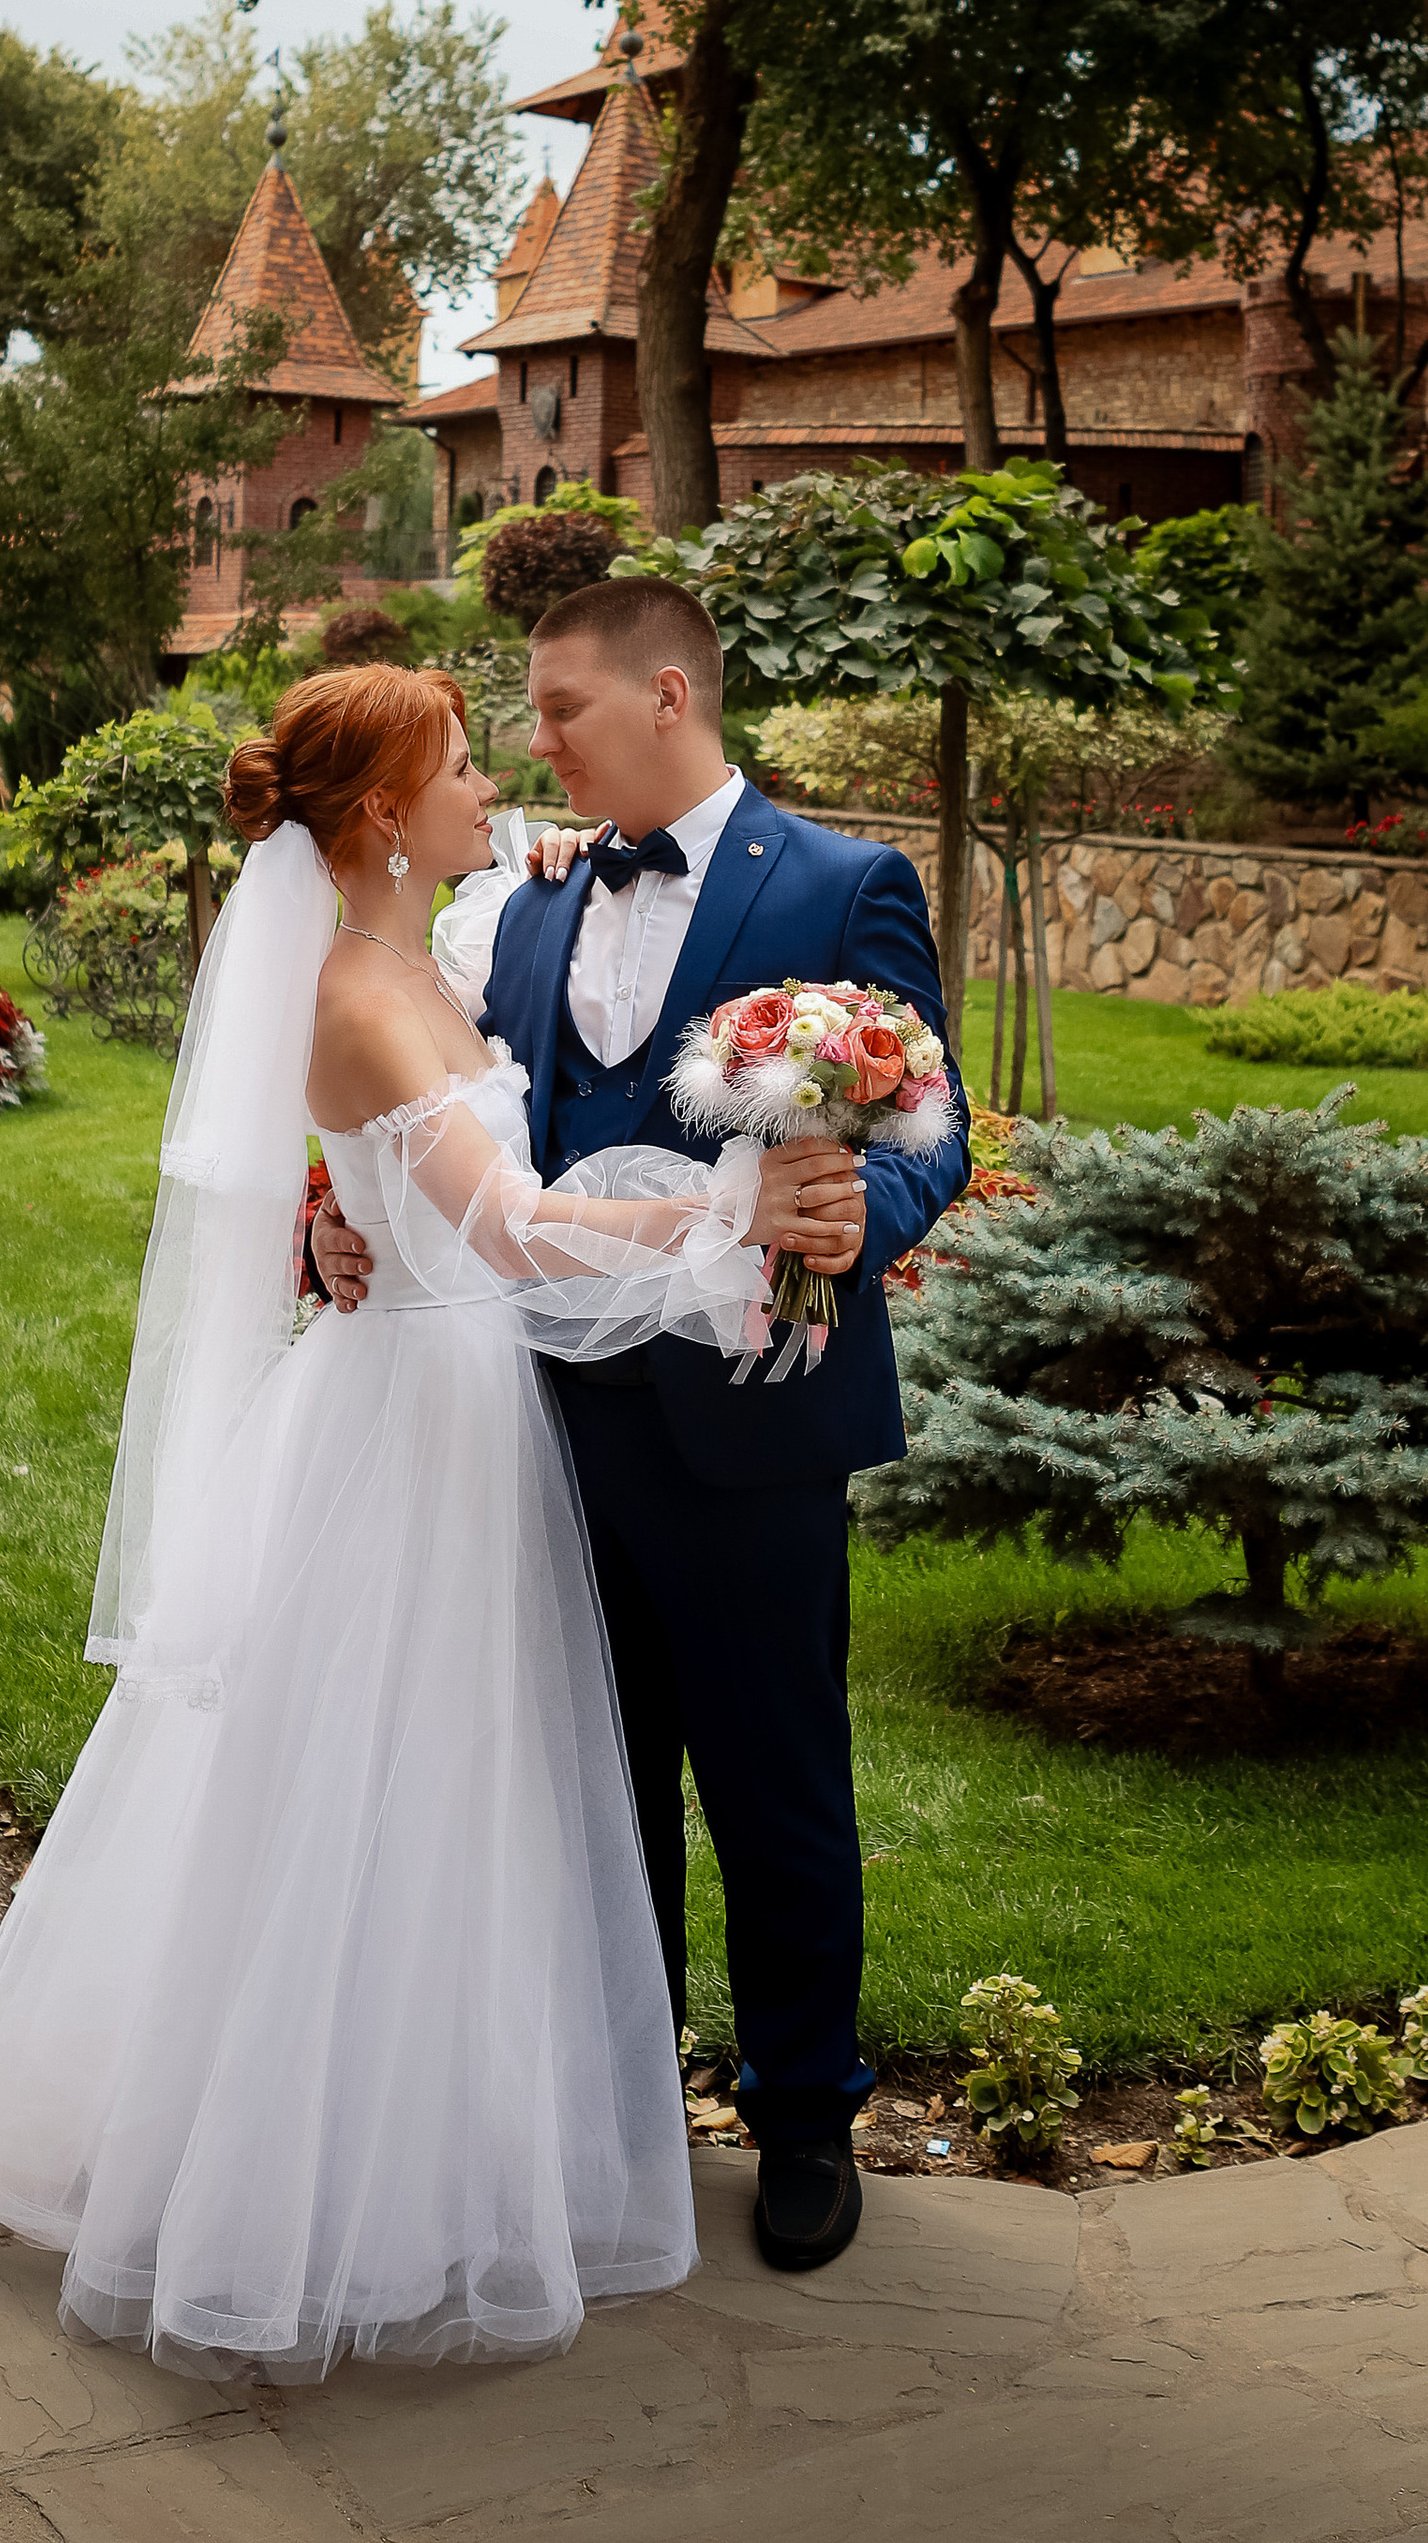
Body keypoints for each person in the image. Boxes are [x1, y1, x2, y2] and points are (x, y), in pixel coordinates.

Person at [0, 662, 866, 2379]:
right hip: (424, 1411)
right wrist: (728, 1220)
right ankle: (342, 2180)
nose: (493, 786)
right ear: (377, 814)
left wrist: (362, 1211)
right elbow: (502, 1234)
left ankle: (495, 2129)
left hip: (477, 1401)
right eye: (461, 766)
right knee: (390, 1789)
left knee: (493, 1789)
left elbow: (425, 1137)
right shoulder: (356, 993)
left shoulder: (440, 944)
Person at [309, 576, 970, 2277]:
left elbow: (931, 1125)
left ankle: (808, 2113)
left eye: (562, 712)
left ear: (667, 697)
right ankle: (623, 2110)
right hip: (534, 1425)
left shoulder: (838, 884)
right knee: (591, 1792)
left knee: (776, 1781)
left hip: (754, 1420)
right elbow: (458, 1124)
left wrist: (855, 1225)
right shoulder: (521, 906)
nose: (536, 746)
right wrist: (341, 1211)